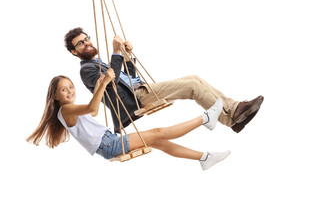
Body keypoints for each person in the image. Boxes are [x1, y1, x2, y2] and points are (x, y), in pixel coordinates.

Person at [64, 27, 264, 134]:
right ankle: (231, 118)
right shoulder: (86, 70)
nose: (86, 43)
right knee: (193, 86)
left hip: (140, 88)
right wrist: (116, 52)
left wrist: (126, 55)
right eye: (80, 44)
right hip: (134, 100)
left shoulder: (98, 62)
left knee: (194, 78)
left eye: (86, 38)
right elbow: (112, 85)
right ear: (74, 52)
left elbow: (131, 77)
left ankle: (234, 111)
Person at [27, 70, 230, 170]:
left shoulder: (68, 111)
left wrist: (99, 87)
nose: (70, 91)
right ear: (55, 96)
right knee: (158, 132)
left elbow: (93, 113)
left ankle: (204, 158)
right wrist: (105, 82)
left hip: (108, 143)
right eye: (64, 89)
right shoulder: (67, 110)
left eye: (70, 87)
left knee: (161, 142)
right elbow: (92, 107)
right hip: (110, 145)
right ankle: (205, 118)